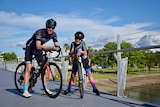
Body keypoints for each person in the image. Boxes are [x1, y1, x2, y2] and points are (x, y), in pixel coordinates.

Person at [23, 18, 61, 98]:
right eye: (49, 27)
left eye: (53, 28)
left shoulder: (54, 34)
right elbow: (38, 46)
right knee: (28, 68)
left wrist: (58, 48)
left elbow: (56, 44)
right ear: (46, 27)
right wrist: (51, 48)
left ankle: (45, 89)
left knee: (43, 68)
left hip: (38, 50)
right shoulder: (39, 32)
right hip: (30, 48)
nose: (51, 29)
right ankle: (25, 90)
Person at [64, 31, 100, 96]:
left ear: (81, 40)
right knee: (73, 74)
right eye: (76, 39)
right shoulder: (72, 44)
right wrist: (71, 56)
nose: (77, 40)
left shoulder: (83, 43)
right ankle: (69, 88)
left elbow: (86, 52)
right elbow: (71, 52)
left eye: (79, 39)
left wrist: (81, 52)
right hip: (76, 56)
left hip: (83, 56)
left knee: (88, 72)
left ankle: (94, 88)